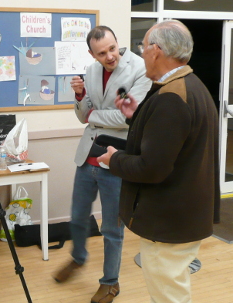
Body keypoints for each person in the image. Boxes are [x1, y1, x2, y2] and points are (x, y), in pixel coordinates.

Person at [97, 20, 220, 302]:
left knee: (168, 296)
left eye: (142, 48)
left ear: (155, 51)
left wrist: (114, 161)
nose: (141, 55)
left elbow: (152, 167)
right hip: (183, 214)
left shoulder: (171, 98)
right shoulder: (190, 86)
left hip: (168, 220)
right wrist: (136, 114)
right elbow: (170, 144)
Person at [53, 26, 152, 303]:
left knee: (112, 227)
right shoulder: (91, 70)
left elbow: (126, 119)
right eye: (101, 53)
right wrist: (80, 95)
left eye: (112, 48)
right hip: (88, 156)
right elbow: (83, 117)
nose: (109, 56)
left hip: (116, 160)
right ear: (91, 54)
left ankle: (110, 283)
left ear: (117, 43)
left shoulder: (140, 69)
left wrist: (94, 113)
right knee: (78, 215)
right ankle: (78, 258)